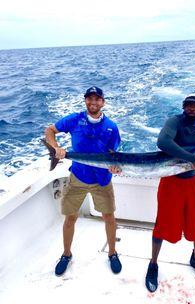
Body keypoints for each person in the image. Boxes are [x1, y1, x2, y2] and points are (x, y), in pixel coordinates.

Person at [45, 86, 122, 276]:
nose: (93, 102)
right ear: (85, 100)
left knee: (109, 217)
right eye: (90, 99)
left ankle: (112, 253)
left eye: (97, 99)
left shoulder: (111, 126)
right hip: (77, 177)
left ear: (103, 102)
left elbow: (114, 154)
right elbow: (50, 130)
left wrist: (115, 166)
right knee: (70, 217)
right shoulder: (74, 119)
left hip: (102, 180)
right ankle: (66, 254)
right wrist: (56, 148)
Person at [145, 93, 195, 292]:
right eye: (189, 105)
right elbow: (163, 142)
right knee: (162, 224)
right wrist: (192, 158)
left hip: (193, 182)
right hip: (171, 183)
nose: (192, 108)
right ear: (184, 107)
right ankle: (153, 264)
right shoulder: (174, 122)